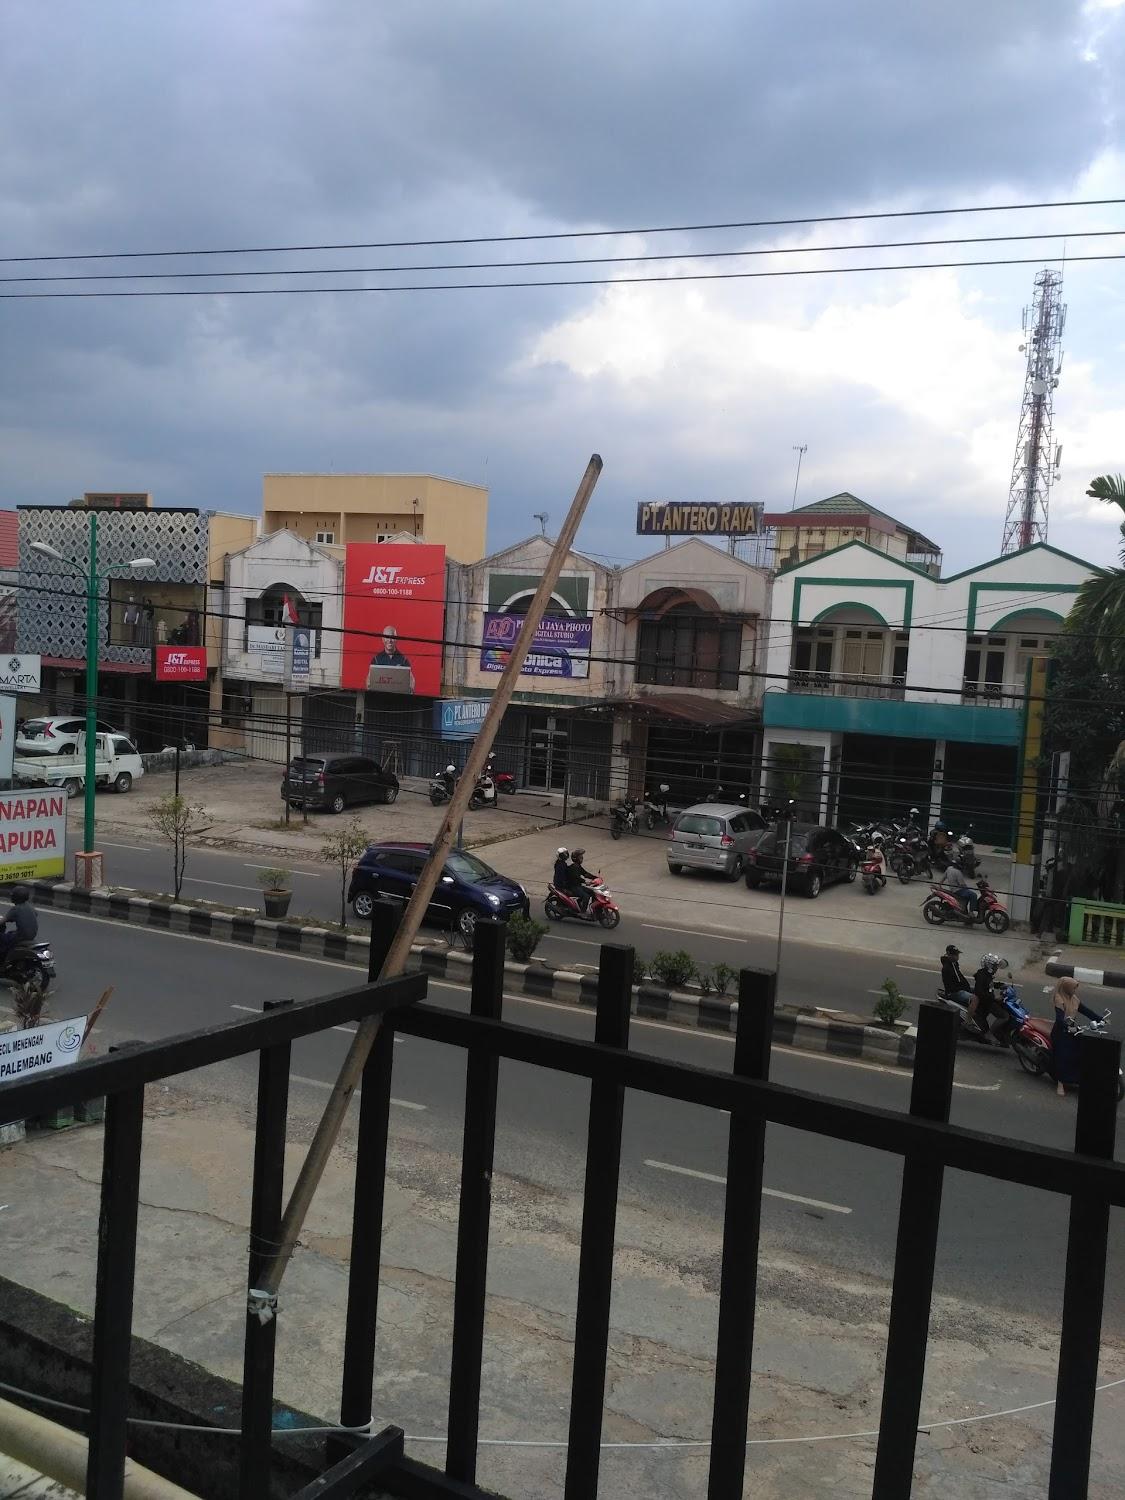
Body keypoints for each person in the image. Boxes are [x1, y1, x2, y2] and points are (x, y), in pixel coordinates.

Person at [1050, 976, 1105, 1097]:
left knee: (1080, 1052)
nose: (1075, 991)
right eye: (1073, 988)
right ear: (1067, 988)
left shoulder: (1074, 999)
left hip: (1072, 1030)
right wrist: (1068, 1027)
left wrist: (1100, 1019)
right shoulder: (1059, 998)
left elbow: (1086, 1011)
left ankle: (1077, 1079)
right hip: (1061, 1031)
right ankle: (1060, 1083)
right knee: (1063, 1056)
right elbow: (1059, 1019)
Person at [968, 953, 1002, 1037]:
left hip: (988, 1000)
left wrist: (1001, 985)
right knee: (1004, 1016)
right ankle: (989, 1034)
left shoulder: (987, 974)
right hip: (986, 1002)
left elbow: (989, 984)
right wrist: (994, 998)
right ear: (990, 966)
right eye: (995, 966)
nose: (997, 968)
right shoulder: (982, 975)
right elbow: (979, 992)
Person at [0, 885, 38, 961]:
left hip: (20, 937)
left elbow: (2, 921)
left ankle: (3, 959)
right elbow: (34, 915)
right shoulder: (30, 907)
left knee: (1, 937)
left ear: (15, 897)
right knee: (10, 933)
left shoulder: (16, 909)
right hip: (31, 936)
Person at [939, 944, 972, 1008]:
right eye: (955, 954)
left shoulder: (955, 965)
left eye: (957, 954)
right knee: (975, 999)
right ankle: (970, 1014)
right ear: (949, 954)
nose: (957, 956)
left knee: (978, 992)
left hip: (960, 990)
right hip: (954, 993)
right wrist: (964, 988)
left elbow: (960, 979)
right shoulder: (947, 968)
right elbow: (951, 986)